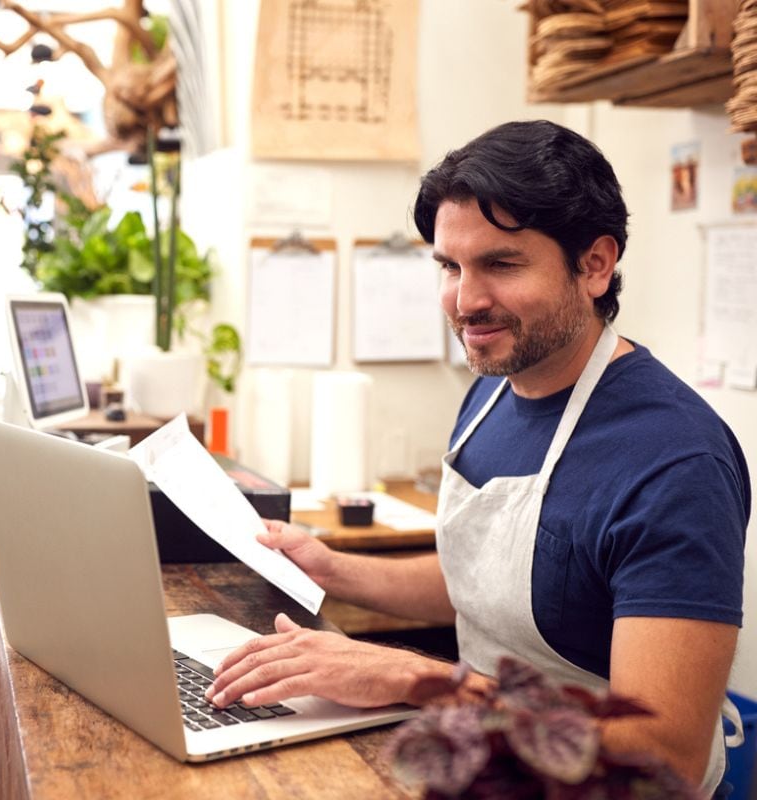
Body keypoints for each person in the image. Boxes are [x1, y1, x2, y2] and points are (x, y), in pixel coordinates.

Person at [206, 120, 748, 794]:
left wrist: (414, 678)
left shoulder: (674, 462)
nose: (465, 302)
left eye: (501, 263)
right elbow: (496, 576)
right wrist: (333, 569)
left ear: (595, 265)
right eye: (450, 267)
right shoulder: (493, 391)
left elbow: (664, 751)